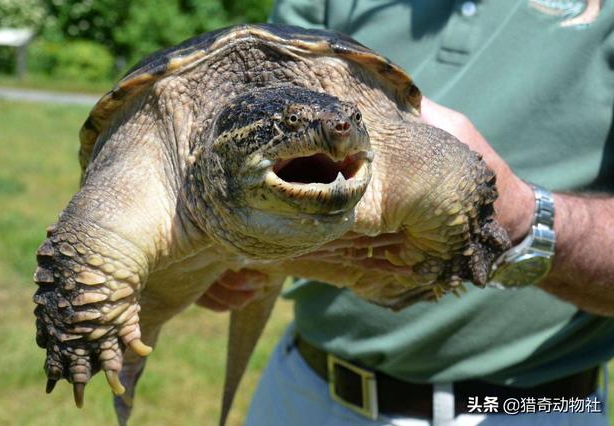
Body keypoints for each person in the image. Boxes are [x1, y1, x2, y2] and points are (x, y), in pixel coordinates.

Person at [197, 1, 614, 424]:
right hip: (310, 390)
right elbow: (250, 128)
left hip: (532, 408)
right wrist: (208, 246)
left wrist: (525, 219)